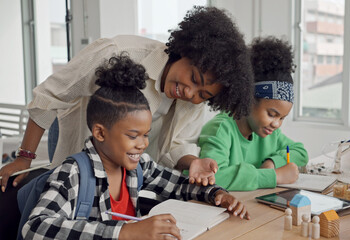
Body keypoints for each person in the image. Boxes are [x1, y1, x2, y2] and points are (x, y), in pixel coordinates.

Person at [0, 6, 254, 192]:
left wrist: (193, 162)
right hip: (80, 134)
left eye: (203, 95)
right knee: (65, 189)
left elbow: (175, 146)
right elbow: (51, 95)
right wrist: (24, 157)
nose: (190, 93)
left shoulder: (194, 103)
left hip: (125, 170)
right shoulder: (118, 53)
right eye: (193, 78)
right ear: (186, 51)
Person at [22, 54, 249, 239]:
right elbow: (35, 228)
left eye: (146, 135)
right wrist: (124, 232)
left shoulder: (139, 166)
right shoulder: (73, 173)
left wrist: (217, 194)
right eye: (133, 136)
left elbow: (179, 186)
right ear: (100, 132)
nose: (143, 144)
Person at [197, 36, 309, 191]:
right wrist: (273, 176)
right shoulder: (221, 129)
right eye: (271, 114)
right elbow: (211, 177)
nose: (276, 124)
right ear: (248, 98)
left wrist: (272, 162)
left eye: (282, 118)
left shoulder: (270, 133)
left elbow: (301, 152)